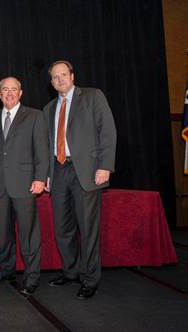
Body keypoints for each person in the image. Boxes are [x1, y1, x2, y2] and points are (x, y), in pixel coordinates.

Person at [43, 60, 117, 299]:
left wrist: (105, 166)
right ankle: (71, 271)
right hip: (58, 170)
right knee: (63, 228)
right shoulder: (48, 109)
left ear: (72, 76)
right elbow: (46, 146)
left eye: (63, 75)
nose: (60, 80)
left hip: (86, 171)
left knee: (88, 228)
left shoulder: (93, 97)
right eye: (55, 77)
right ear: (51, 82)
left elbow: (108, 131)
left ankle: (90, 278)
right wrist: (45, 174)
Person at [0, 77, 49, 296]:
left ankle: (31, 277)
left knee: (28, 234)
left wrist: (40, 178)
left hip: (25, 185)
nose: (9, 93)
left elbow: (42, 150)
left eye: (14, 90)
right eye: (5, 90)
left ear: (21, 93)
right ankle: (7, 271)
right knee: (4, 232)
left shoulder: (35, 116)